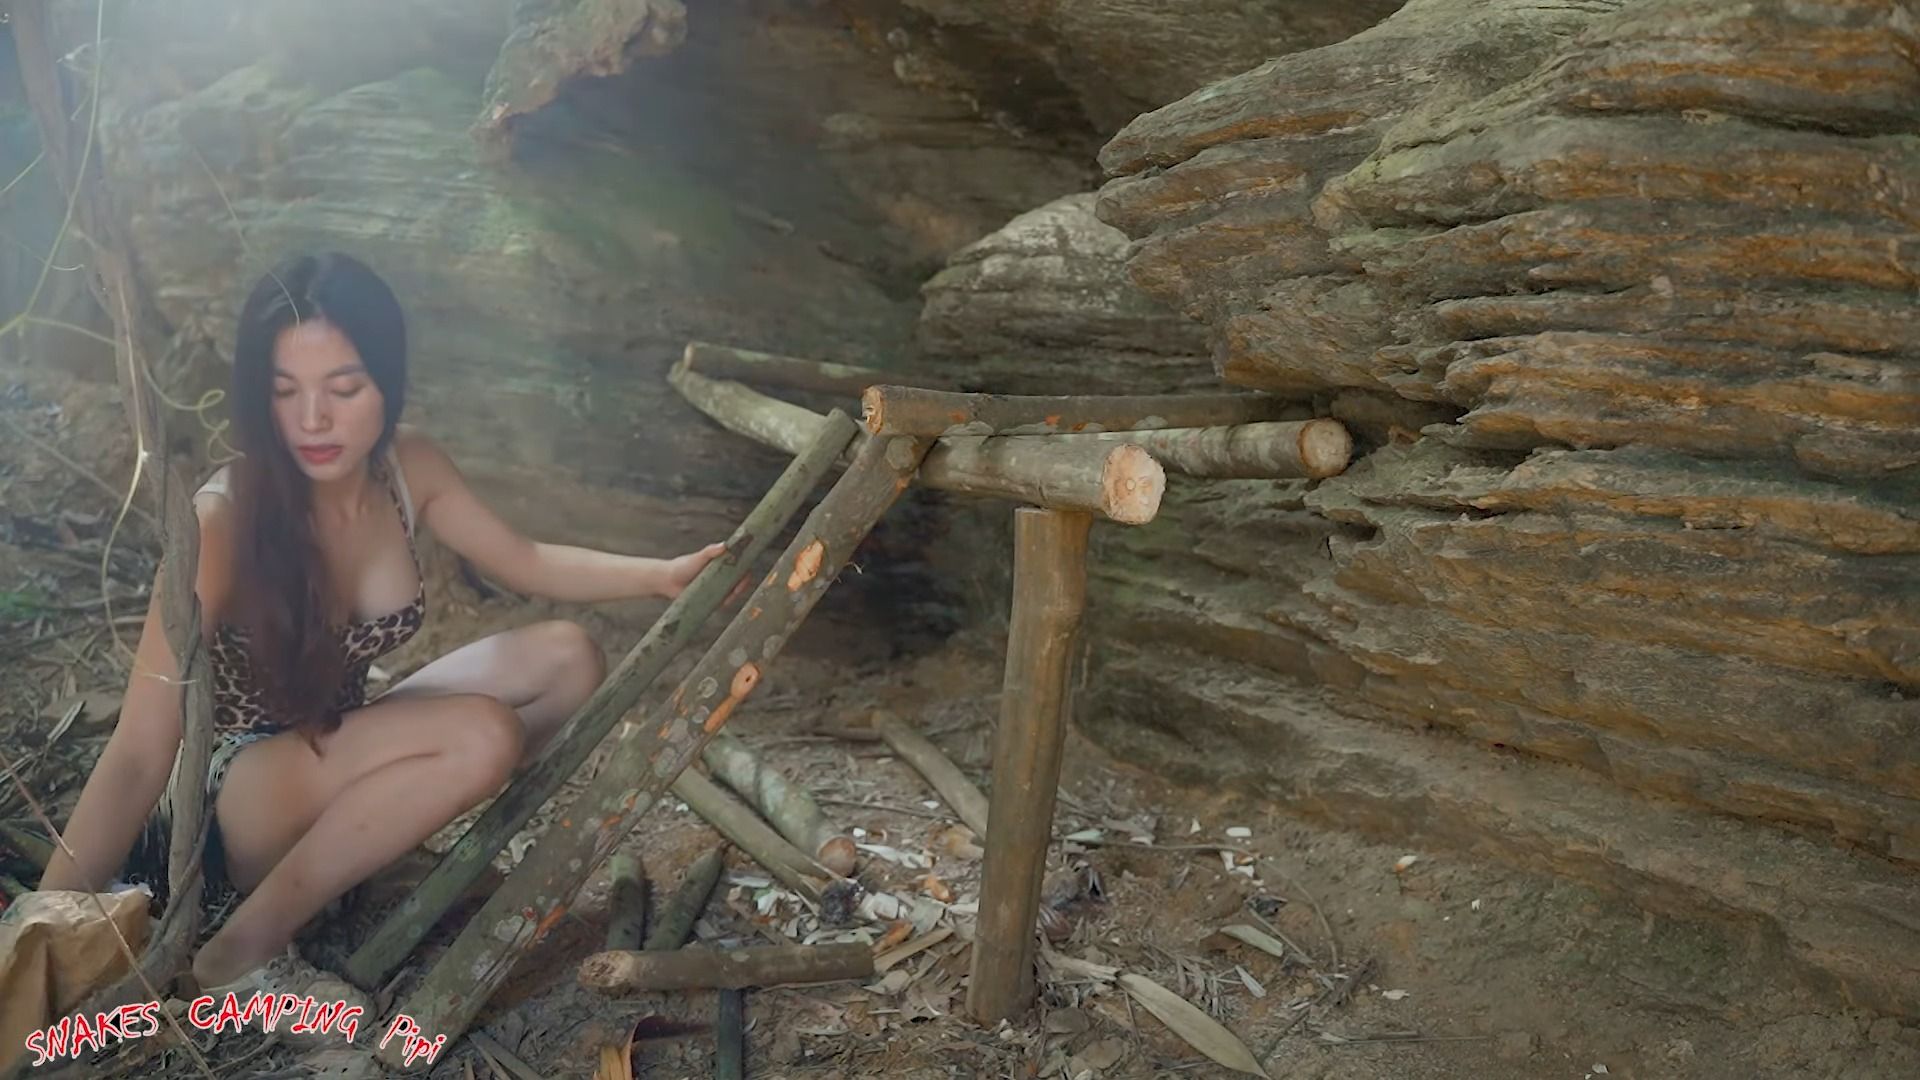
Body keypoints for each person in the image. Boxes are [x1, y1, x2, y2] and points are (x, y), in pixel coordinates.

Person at [37, 252, 726, 1005]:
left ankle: (361, 844)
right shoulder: (223, 522)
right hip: (240, 795)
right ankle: (241, 948)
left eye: (344, 388)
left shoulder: (406, 469)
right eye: (284, 391)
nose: (313, 421)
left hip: (341, 734)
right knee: (481, 735)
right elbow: (138, 751)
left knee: (569, 658)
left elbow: (524, 559)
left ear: (387, 382)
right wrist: (41, 925)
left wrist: (659, 575)